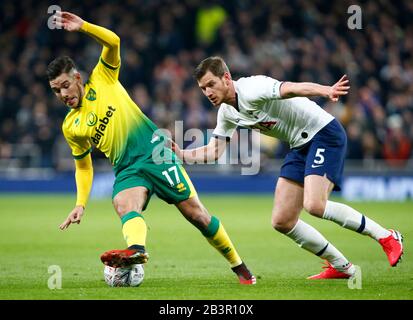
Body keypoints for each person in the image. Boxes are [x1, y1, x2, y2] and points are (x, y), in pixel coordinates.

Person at [47, 13, 255, 285]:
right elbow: (83, 166)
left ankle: (241, 269)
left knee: (197, 215)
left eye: (65, 85)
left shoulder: (102, 79)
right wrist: (80, 204)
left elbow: (113, 42)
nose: (63, 94)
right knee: (123, 203)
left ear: (77, 77)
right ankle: (137, 251)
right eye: (55, 90)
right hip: (127, 168)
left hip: (155, 153)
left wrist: (84, 27)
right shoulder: (70, 125)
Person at [172, 56, 404, 279]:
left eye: (211, 84)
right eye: (203, 88)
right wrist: (181, 154)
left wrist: (324, 90)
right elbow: (214, 151)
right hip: (299, 145)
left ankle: (387, 236)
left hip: (323, 133)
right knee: (282, 220)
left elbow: (291, 88)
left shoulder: (252, 88)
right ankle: (342, 266)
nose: (208, 92)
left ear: (226, 77)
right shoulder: (226, 112)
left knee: (314, 205)